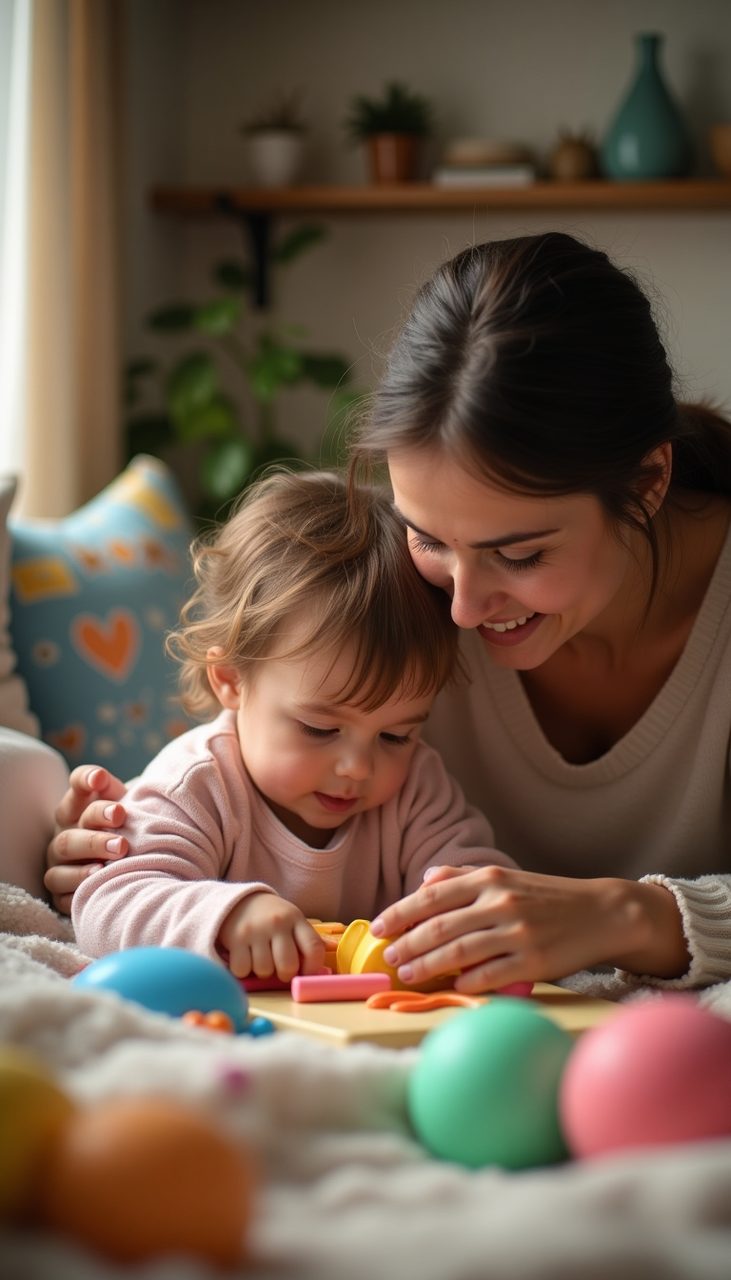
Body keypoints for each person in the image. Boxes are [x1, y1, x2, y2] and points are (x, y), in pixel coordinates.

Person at [48, 231, 731, 994]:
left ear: (646, 484)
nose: (461, 610)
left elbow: (458, 865)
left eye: (520, 555)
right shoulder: (387, 599)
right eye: (428, 538)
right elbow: (148, 866)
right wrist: (108, 852)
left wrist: (626, 915)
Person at [67, 469, 515, 981]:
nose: (357, 767)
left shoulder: (414, 788)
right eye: (320, 729)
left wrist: (462, 913)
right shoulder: (198, 784)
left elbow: (478, 881)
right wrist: (228, 916)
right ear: (231, 679)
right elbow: (107, 902)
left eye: (395, 735)